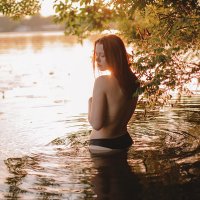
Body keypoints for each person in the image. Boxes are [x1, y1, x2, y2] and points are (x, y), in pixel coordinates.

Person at [88, 34, 140, 154]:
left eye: (103, 55)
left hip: (102, 146)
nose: (97, 59)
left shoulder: (102, 82)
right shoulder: (134, 81)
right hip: (124, 141)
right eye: (96, 54)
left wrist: (90, 103)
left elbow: (96, 124)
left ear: (115, 56)